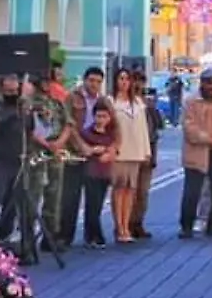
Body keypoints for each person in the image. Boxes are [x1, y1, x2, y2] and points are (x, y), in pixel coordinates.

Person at [21, 75, 71, 263]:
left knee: (54, 197)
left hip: (54, 155)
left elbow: (68, 124)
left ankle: (50, 237)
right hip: (37, 155)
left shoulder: (56, 102)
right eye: (43, 81)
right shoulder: (28, 103)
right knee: (32, 198)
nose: (46, 84)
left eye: (48, 81)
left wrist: (59, 143)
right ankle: (27, 243)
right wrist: (46, 144)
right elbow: (28, 129)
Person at [59, 67, 108, 248]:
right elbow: (68, 124)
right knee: (70, 197)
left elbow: (112, 125)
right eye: (91, 80)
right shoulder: (72, 98)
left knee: (94, 198)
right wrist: (81, 146)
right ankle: (65, 236)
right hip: (74, 152)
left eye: (98, 82)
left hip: (95, 151)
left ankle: (92, 235)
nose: (94, 84)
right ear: (85, 80)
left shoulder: (103, 101)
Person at [179, 73, 212, 239]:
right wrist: (209, 139)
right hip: (197, 152)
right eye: (209, 84)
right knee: (192, 192)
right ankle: (186, 226)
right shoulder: (191, 101)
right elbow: (189, 128)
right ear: (202, 85)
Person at [108, 68, 152, 244]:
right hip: (119, 151)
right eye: (121, 78)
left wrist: (146, 151)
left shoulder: (138, 103)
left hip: (135, 151)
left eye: (127, 79)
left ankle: (127, 226)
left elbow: (143, 129)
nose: (124, 82)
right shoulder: (111, 102)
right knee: (119, 189)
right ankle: (119, 227)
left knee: (130, 190)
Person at [0, 74, 26, 243]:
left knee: (12, 204)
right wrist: (14, 113)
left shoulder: (22, 107)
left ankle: (4, 238)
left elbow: (31, 127)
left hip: (17, 161)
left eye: (15, 91)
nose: (13, 94)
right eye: (9, 91)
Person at [129, 73, 163, 239]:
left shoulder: (147, 105)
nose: (138, 86)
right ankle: (126, 224)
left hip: (148, 152)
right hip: (131, 153)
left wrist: (151, 106)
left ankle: (138, 223)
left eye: (141, 83)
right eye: (135, 83)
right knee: (130, 191)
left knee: (143, 192)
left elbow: (158, 126)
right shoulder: (126, 103)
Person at [78, 101, 117, 248]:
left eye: (104, 116)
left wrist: (109, 153)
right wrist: (94, 150)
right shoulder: (86, 133)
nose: (100, 119)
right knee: (92, 205)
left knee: (98, 205)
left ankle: (90, 236)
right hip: (91, 172)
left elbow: (114, 150)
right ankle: (96, 236)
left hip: (105, 173)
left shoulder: (111, 134)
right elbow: (83, 150)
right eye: (98, 116)